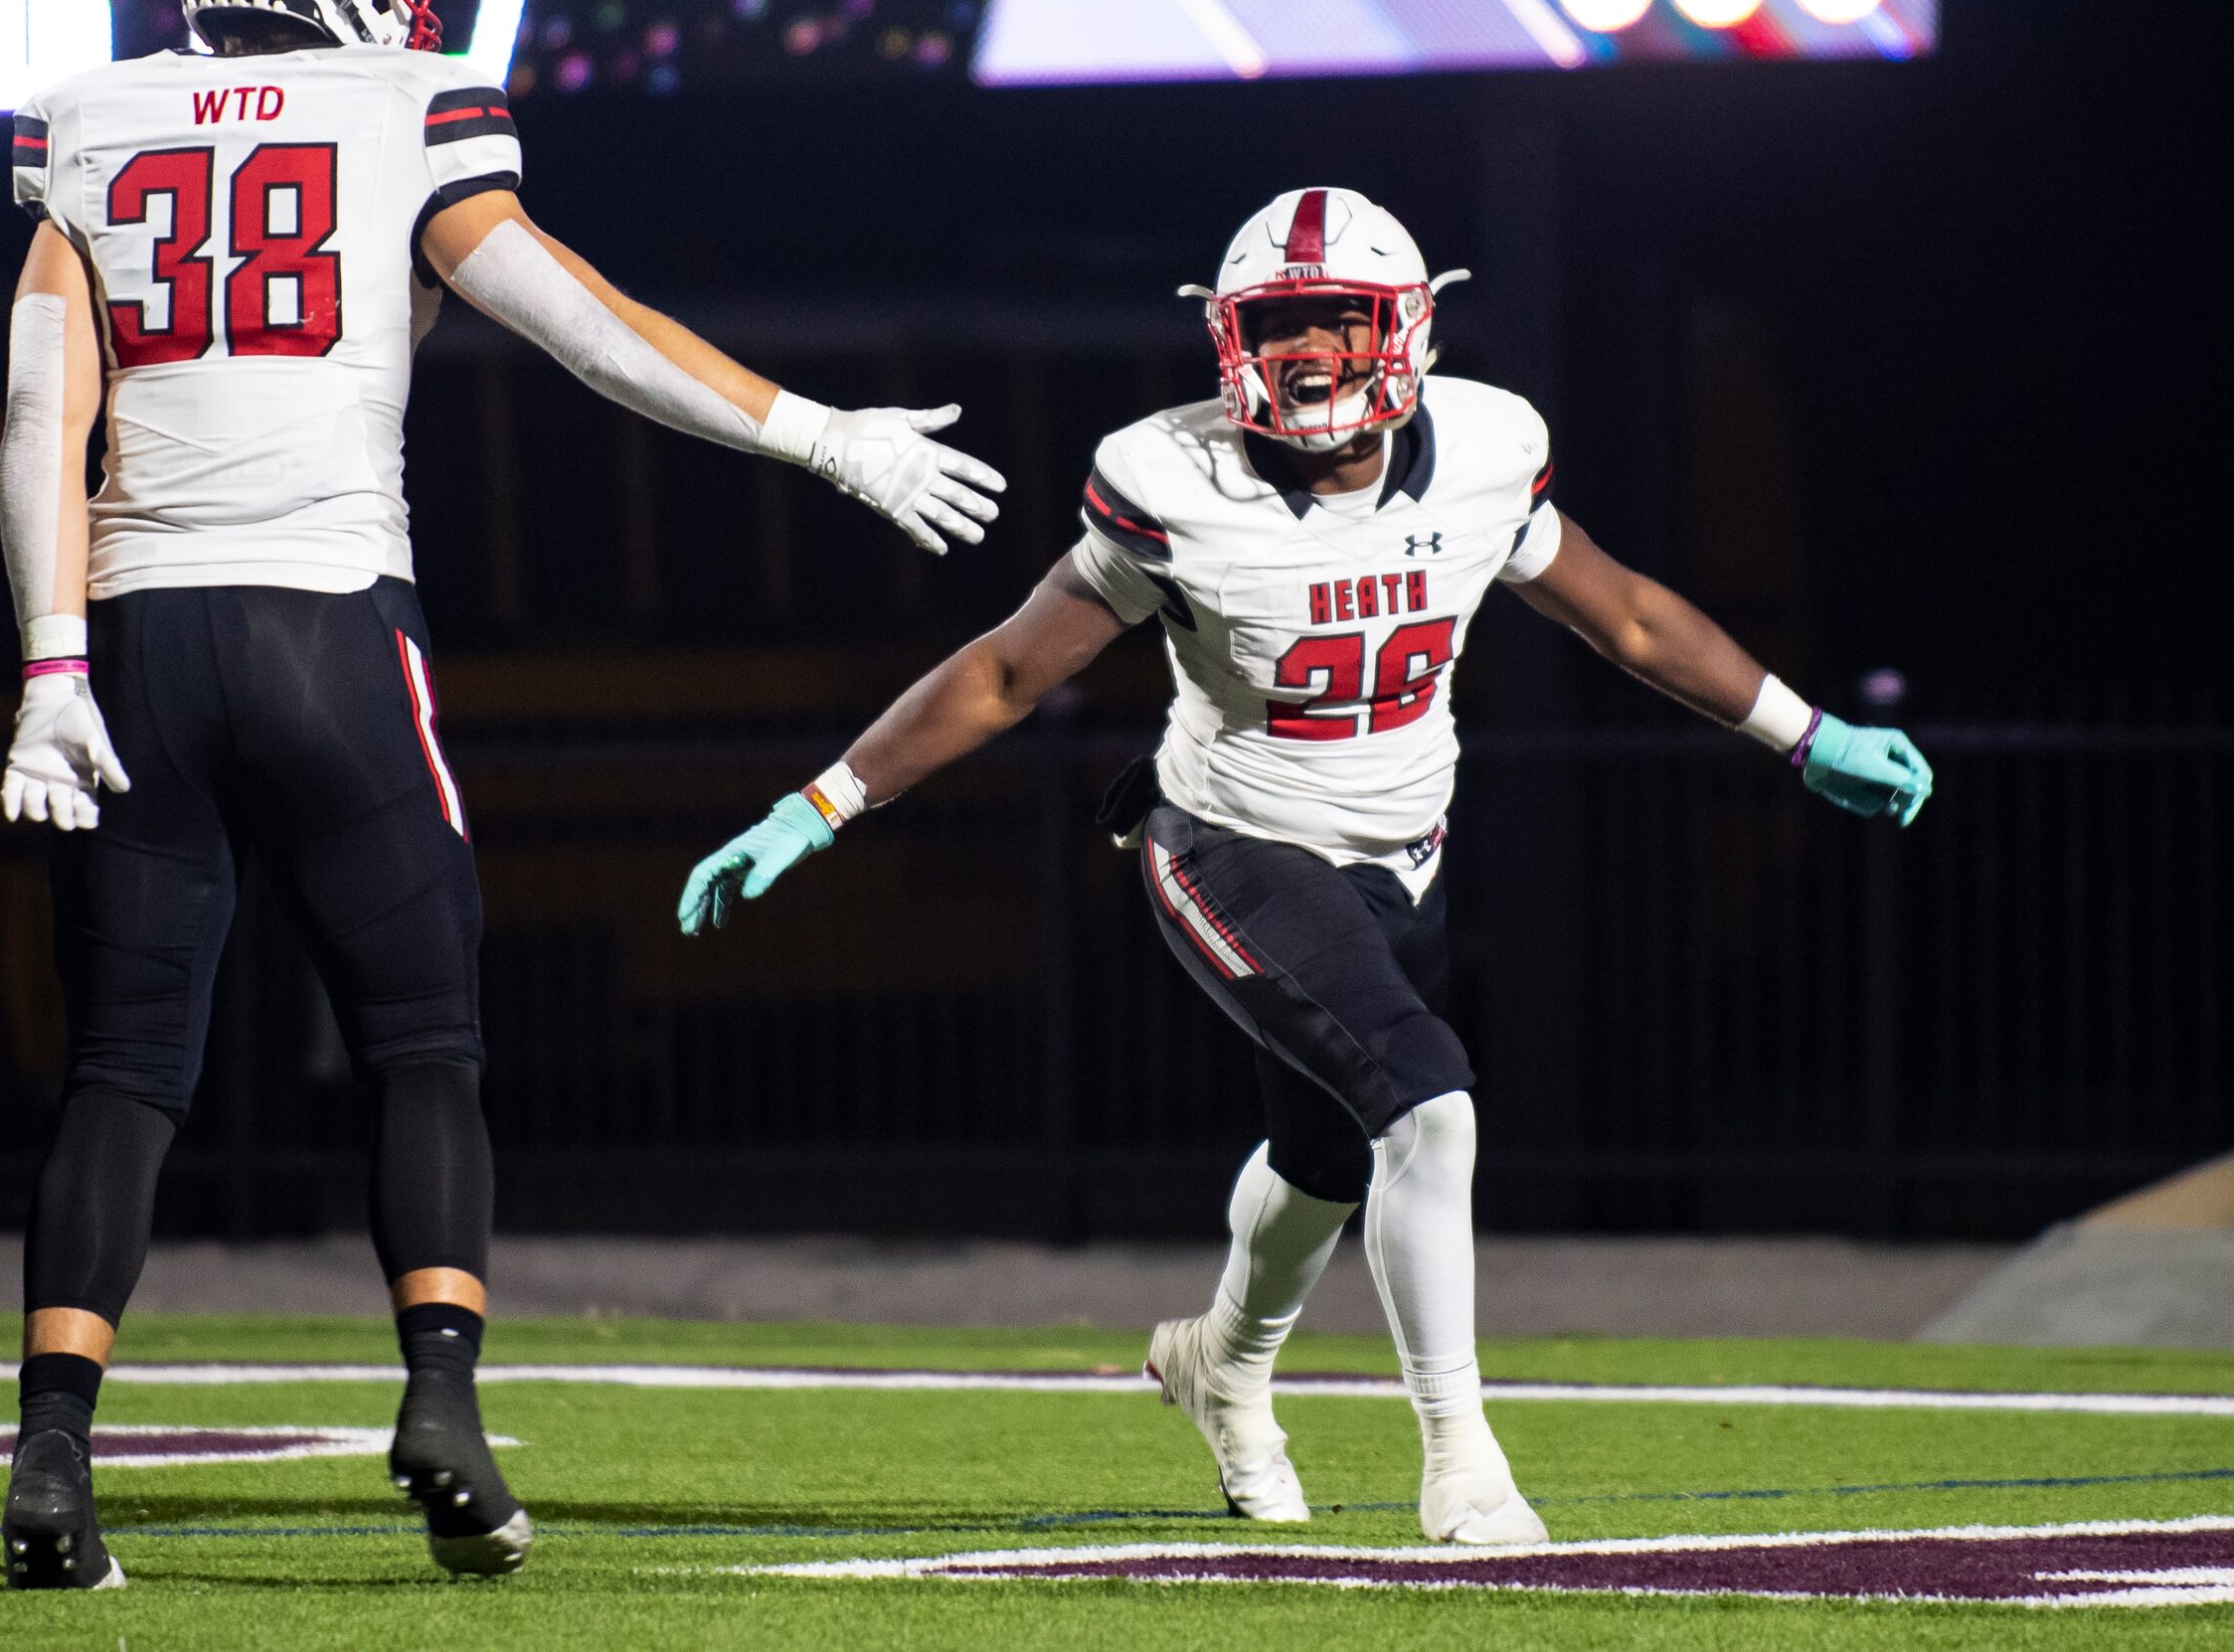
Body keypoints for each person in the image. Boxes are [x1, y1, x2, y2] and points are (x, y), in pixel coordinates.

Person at [0, 0, 1005, 1587]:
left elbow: (35, 415)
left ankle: (53, 1457)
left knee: (122, 1066)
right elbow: (575, 320)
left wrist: (49, 665)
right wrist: (817, 435)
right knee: (424, 1036)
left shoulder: (90, 113)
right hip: (327, 622)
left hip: (138, 635)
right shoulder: (405, 105)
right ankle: (443, 1406)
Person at [676, 187, 1932, 1544]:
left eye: (1340, 318)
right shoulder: (1171, 475)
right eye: (1281, 323)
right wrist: (817, 804)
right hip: (1225, 841)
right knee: (1427, 1101)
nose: (1313, 351)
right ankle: (1458, 1455)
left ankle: (1220, 1363)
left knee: (1324, 1153)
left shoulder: (1486, 448)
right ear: (1229, 339)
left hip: (1399, 858)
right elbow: (1003, 668)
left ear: (1409, 328)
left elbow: (1622, 612)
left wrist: (1800, 731)